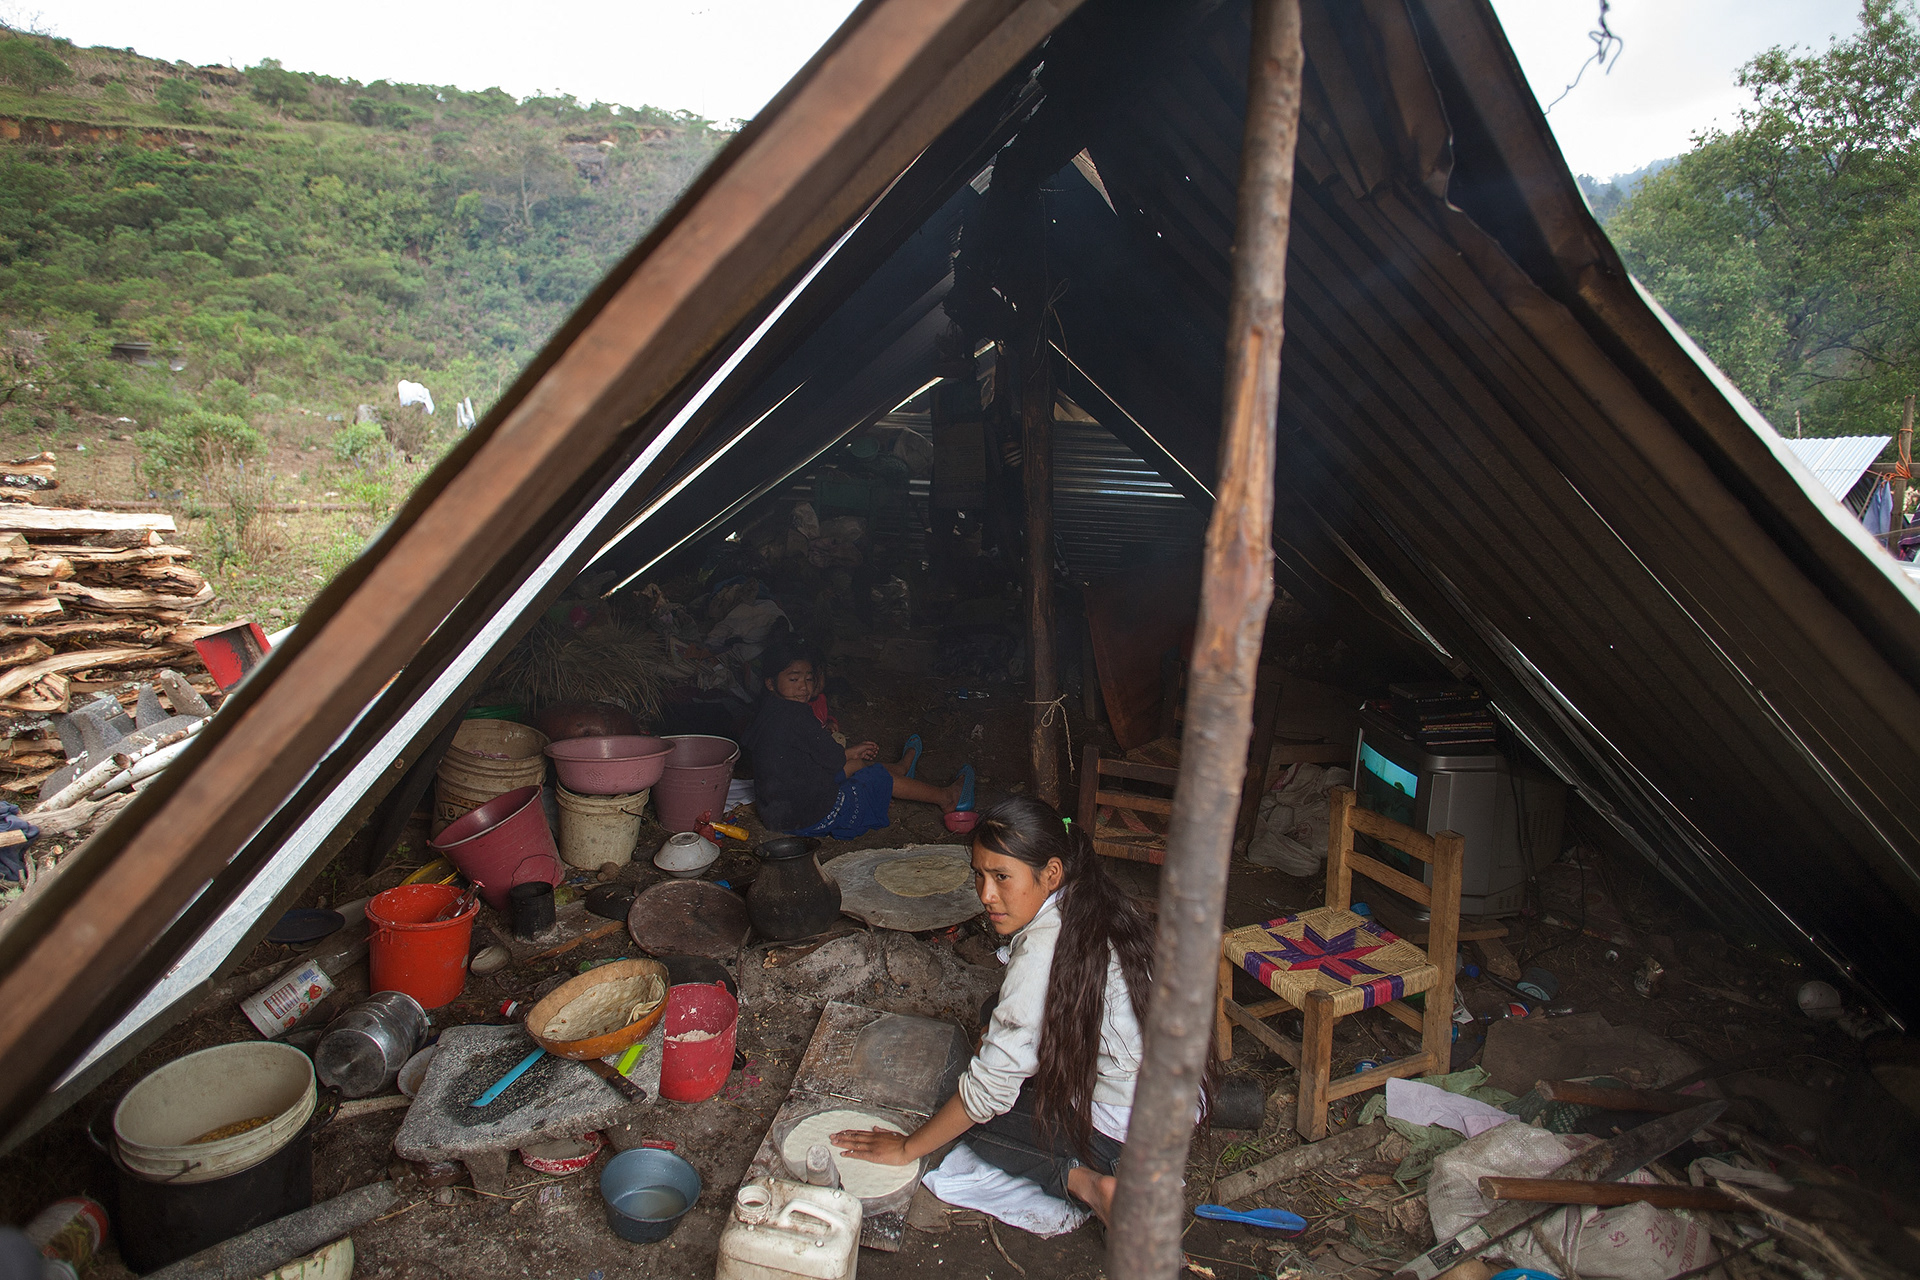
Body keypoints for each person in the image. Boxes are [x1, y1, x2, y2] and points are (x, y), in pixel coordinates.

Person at [831, 796, 1160, 1223]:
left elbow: (987, 1093)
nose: (987, 895)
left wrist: (908, 1147)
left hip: (1122, 1137)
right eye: (980, 876)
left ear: (1051, 872)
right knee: (992, 1010)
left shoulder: (1043, 949)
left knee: (969, 1113)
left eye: (1002, 877)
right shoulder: (1092, 897)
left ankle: (1087, 1183)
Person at [743, 637, 973, 838]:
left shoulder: (767, 709)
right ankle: (945, 797)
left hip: (777, 816)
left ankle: (901, 768)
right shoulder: (799, 716)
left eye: (809, 679)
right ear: (771, 683)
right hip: (809, 818)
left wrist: (849, 755)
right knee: (875, 777)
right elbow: (833, 760)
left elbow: (800, 759)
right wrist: (850, 752)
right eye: (794, 680)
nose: (804, 687)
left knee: (855, 764)